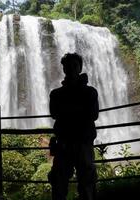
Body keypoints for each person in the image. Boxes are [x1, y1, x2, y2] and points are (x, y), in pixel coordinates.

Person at [48, 53, 99, 200]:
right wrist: (80, 110)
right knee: (60, 181)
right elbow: (54, 113)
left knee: (86, 181)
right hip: (65, 144)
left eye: (74, 65)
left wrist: (67, 111)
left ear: (80, 68)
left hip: (81, 142)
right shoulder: (57, 94)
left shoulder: (88, 92)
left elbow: (93, 114)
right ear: (63, 69)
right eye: (67, 66)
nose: (71, 68)